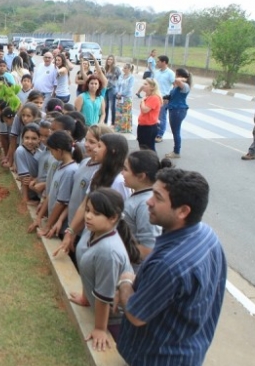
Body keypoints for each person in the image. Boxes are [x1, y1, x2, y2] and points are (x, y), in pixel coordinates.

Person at [116, 169, 226, 366]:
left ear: (183, 211)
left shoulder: (169, 264)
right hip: (189, 350)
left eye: (157, 198)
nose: (148, 202)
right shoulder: (208, 236)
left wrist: (126, 281)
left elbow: (135, 315)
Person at [69, 188, 137, 350]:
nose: (88, 216)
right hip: (101, 309)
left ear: (113, 218)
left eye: (96, 213)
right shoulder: (92, 230)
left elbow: (104, 295)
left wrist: (100, 328)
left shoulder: (108, 252)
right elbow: (91, 273)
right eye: (87, 210)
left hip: (115, 321)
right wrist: (86, 297)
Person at [122, 150, 170, 271]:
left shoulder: (145, 205)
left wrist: (115, 248)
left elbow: (148, 248)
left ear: (141, 176)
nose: (122, 173)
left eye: (125, 169)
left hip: (134, 272)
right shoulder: (139, 196)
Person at [164, 68, 192, 159]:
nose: (174, 76)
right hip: (174, 109)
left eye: (176, 74)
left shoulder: (185, 86)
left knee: (176, 132)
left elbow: (176, 80)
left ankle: (176, 151)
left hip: (178, 110)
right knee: (175, 131)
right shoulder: (177, 86)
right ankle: (176, 151)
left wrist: (184, 79)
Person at [153, 55, 175, 143]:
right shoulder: (157, 72)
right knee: (154, 116)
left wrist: (169, 97)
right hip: (155, 97)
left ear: (164, 62)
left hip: (163, 98)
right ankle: (154, 132)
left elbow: (175, 85)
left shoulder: (170, 73)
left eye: (158, 61)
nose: (157, 63)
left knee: (162, 117)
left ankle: (160, 135)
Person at [136, 78, 162, 151]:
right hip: (142, 124)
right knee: (142, 146)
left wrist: (143, 101)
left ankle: (153, 161)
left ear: (152, 87)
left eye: (146, 84)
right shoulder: (148, 97)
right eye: (143, 84)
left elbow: (145, 110)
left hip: (149, 126)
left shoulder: (154, 98)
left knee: (149, 147)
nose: (143, 85)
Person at [114, 63, 135, 133]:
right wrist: (117, 92)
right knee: (119, 112)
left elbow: (129, 88)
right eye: (123, 68)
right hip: (119, 97)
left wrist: (122, 93)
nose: (124, 69)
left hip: (126, 97)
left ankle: (125, 128)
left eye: (125, 68)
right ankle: (118, 127)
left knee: (125, 113)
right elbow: (117, 85)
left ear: (129, 69)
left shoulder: (131, 77)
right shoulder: (121, 76)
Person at [102, 55, 121, 125]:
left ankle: (113, 122)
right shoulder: (106, 68)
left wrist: (118, 89)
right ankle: (105, 121)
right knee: (105, 105)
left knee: (112, 106)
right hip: (105, 88)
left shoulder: (116, 69)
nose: (109, 61)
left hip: (112, 88)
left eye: (111, 59)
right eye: (108, 59)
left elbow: (120, 78)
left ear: (113, 61)